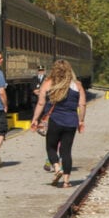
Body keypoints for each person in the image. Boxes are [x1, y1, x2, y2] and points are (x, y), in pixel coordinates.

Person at [29, 59, 86, 188]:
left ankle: (56, 167)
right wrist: (81, 120)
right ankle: (66, 181)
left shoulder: (48, 83)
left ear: (54, 70)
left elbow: (41, 103)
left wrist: (35, 119)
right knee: (66, 151)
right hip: (71, 122)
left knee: (51, 147)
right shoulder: (77, 85)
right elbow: (82, 104)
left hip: (55, 121)